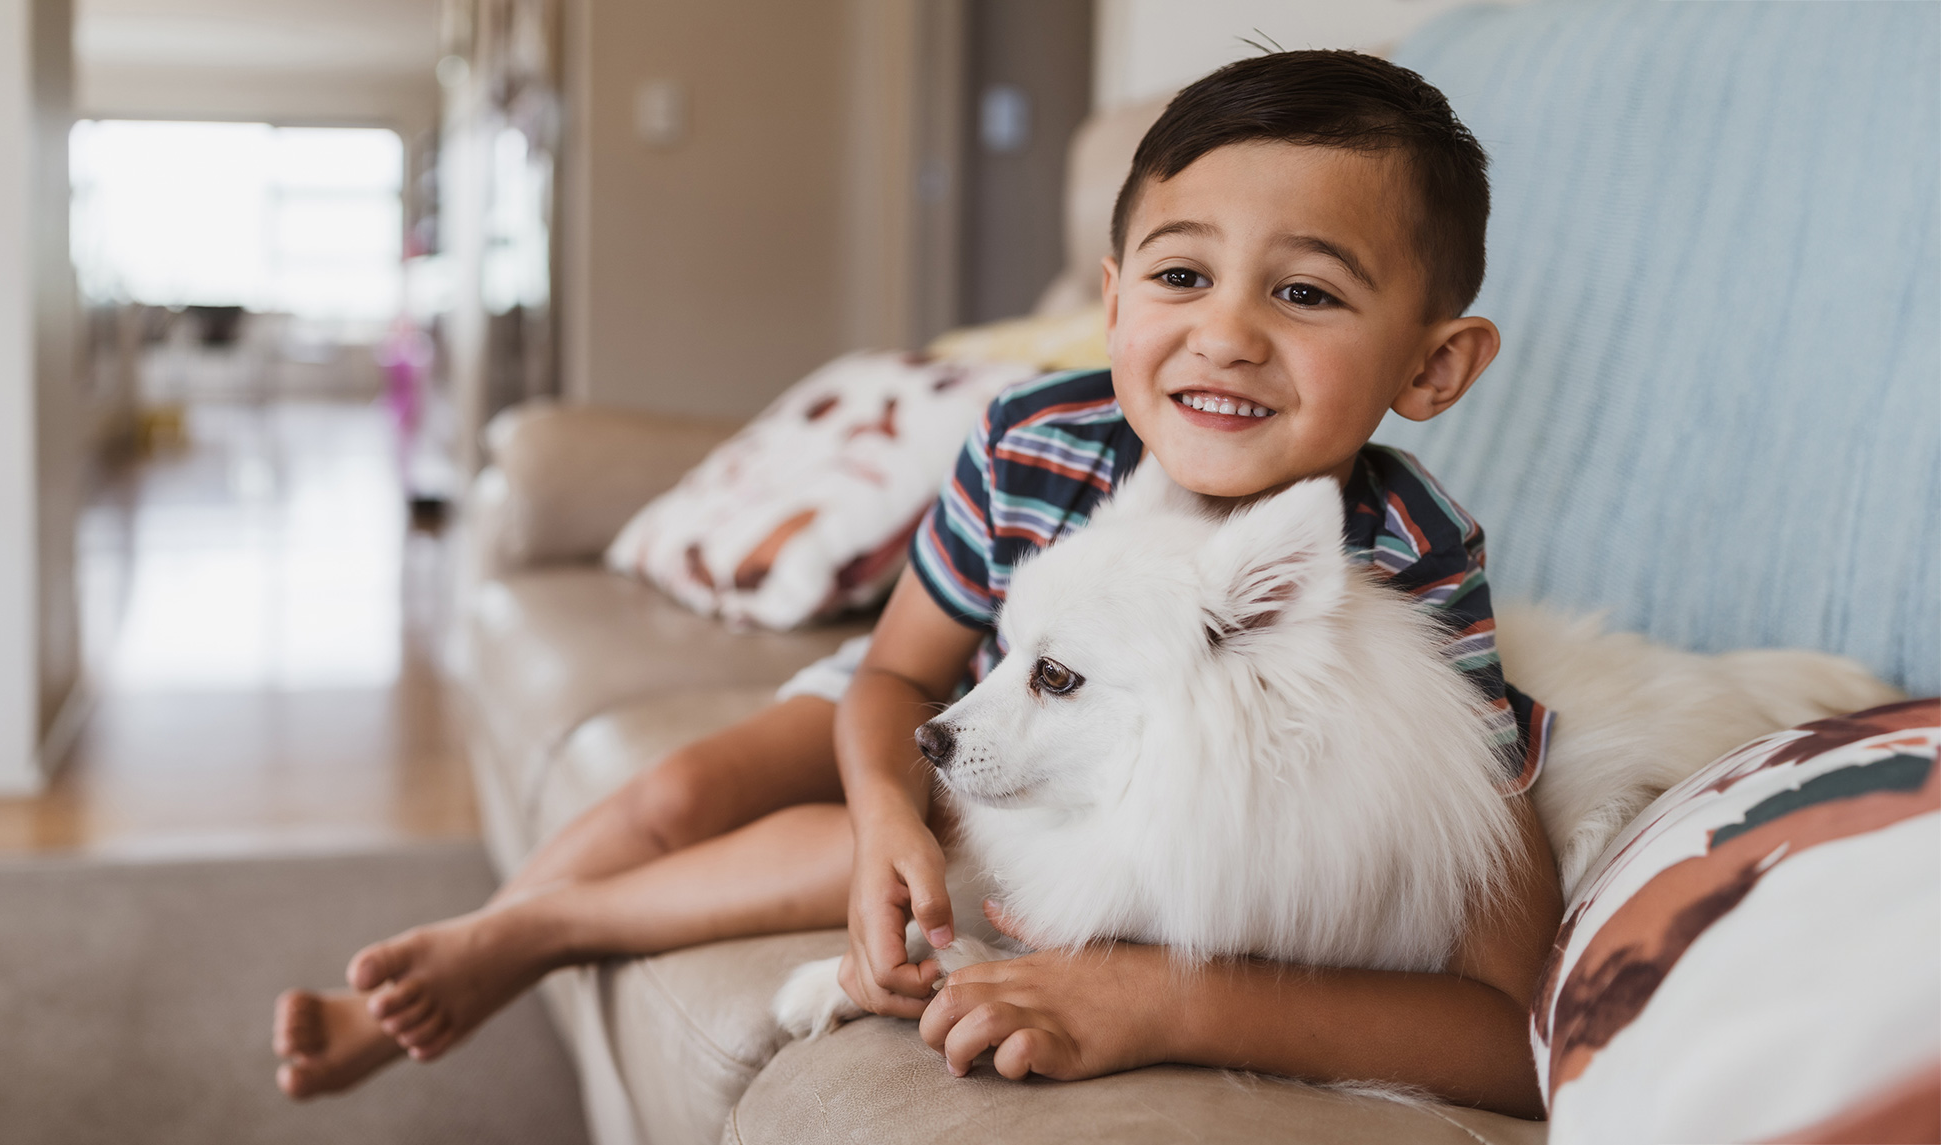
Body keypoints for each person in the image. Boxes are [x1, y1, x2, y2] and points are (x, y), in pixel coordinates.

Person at [274, 48, 1564, 1119]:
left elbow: (1511, 1018)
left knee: (872, 843)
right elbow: (900, 671)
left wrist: (1161, 993)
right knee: (680, 788)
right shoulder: (1034, 439)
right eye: (1181, 275)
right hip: (954, 677)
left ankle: (549, 929)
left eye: (1304, 292)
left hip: (1051, 729)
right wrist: (889, 807)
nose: (1225, 332)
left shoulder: (1405, 556)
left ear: (1434, 368)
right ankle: (505, 936)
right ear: (1113, 304)